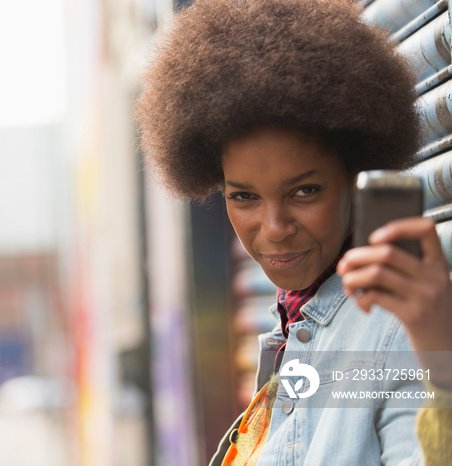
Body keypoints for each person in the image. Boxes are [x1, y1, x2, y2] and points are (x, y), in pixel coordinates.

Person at [135, 0, 452, 464]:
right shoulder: (296, 325)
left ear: (356, 173)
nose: (275, 228)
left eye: (304, 191)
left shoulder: (399, 332)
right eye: (243, 196)